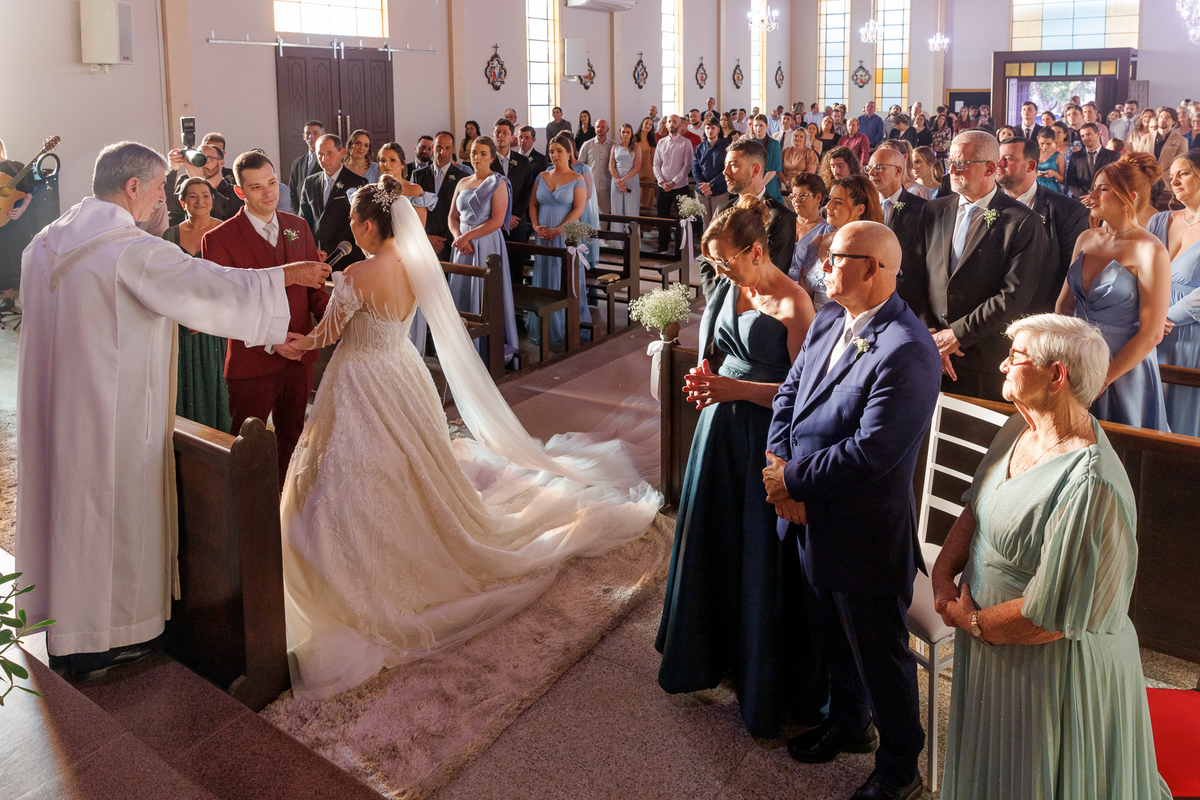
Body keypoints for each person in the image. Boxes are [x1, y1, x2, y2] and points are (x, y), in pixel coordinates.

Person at [274, 179, 662, 701]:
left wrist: (298, 344)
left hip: (362, 377)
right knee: (412, 465)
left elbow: (329, 335)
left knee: (353, 469)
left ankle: (351, 559)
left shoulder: (356, 274)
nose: (352, 233)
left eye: (353, 225)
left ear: (369, 226)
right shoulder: (418, 265)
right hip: (402, 373)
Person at [16, 141, 329, 680]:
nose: (163, 199)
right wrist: (284, 277)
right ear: (133, 187)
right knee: (110, 514)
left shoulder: (45, 241)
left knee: (68, 511)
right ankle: (107, 636)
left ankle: (67, 628)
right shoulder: (127, 248)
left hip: (56, 410)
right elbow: (207, 287)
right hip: (111, 413)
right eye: (159, 187)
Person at [934, 314, 1172, 800]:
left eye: (1015, 358)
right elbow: (976, 506)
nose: (1001, 365)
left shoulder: (1091, 482)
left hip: (1047, 669)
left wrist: (973, 622)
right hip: (991, 644)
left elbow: (1049, 619)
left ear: (1057, 375)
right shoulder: (1017, 427)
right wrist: (942, 573)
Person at [765, 220, 941, 800]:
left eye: (835, 257)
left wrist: (790, 479)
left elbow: (872, 453)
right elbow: (791, 392)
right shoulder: (828, 320)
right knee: (829, 632)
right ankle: (849, 725)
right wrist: (779, 458)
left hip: (863, 527)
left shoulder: (907, 349)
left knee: (878, 652)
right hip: (808, 513)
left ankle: (899, 769)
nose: (822, 265)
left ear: (873, 269)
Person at [656, 195, 819, 738]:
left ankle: (758, 673)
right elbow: (720, 344)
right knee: (714, 541)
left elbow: (806, 397)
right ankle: (709, 653)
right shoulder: (731, 285)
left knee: (754, 552)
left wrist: (734, 388)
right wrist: (707, 373)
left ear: (755, 250)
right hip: (717, 433)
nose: (719, 271)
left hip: (761, 438)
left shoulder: (796, 305)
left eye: (725, 260)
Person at [203, 150, 331, 484]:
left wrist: (331, 324)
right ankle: (249, 517)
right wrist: (273, 343)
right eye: (257, 187)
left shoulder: (298, 227)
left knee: (295, 437)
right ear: (241, 192)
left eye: (272, 182)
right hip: (252, 361)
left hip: (299, 357)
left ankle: (287, 509)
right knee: (248, 445)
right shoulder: (218, 239)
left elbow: (314, 290)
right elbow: (226, 306)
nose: (269, 192)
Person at [911, 130, 1047, 401]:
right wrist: (930, 333)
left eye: (961, 164)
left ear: (990, 168)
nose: (951, 170)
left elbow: (1014, 295)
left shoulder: (1022, 221)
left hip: (981, 355)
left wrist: (957, 336)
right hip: (930, 349)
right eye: (950, 162)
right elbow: (914, 275)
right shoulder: (934, 210)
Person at [1056, 159, 1171, 430]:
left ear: (1128, 198)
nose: (1091, 196)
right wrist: (1056, 353)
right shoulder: (1086, 238)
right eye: (1094, 188)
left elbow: (1152, 333)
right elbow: (1064, 304)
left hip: (1122, 369)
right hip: (1076, 359)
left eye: (1103, 189)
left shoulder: (1150, 251)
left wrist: (1103, 379)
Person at [163, 177, 230, 432]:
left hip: (213, 325)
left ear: (213, 200)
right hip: (179, 324)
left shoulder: (224, 231)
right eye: (192, 196)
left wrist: (205, 318)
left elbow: (231, 282)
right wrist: (181, 315)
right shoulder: (170, 234)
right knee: (181, 383)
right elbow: (164, 281)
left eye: (205, 195)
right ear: (182, 201)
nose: (200, 200)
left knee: (213, 385)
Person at [997, 137, 1090, 314]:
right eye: (998, 158)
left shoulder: (1068, 211)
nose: (999, 164)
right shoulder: (984, 206)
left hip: (1039, 314)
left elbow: (1071, 275)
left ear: (1031, 166)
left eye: (1009, 159)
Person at [448, 136, 518, 364]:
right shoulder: (462, 182)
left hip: (486, 242)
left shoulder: (497, 182)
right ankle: (461, 348)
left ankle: (487, 346)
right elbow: (452, 217)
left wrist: (468, 236)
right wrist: (458, 237)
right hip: (462, 245)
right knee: (461, 291)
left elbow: (497, 220)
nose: (476, 157)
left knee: (484, 295)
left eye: (482, 153)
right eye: (473, 153)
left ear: (492, 157)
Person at [1149, 153, 1200, 436]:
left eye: (1183, 173)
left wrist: (1166, 317)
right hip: (1150, 330)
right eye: (1171, 176)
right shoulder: (1159, 221)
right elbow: (1137, 272)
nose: (1174, 180)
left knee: (1183, 415)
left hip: (1190, 332)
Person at [710, 139, 796, 292]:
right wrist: (715, 300)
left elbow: (775, 273)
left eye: (734, 165)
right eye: (725, 165)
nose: (725, 172)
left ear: (755, 170)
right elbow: (708, 263)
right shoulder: (722, 209)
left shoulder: (781, 217)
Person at [529, 134, 588, 346]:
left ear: (569, 153)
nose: (554, 155)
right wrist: (536, 226)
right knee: (545, 271)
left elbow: (578, 208)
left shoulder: (577, 179)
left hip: (565, 233)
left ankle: (566, 322)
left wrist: (559, 230)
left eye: (559, 151)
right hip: (543, 233)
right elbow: (533, 204)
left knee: (562, 272)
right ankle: (546, 322)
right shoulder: (542, 176)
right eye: (551, 151)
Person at [807, 175, 884, 310]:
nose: (828, 206)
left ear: (859, 209)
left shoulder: (873, 248)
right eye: (830, 199)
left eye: (838, 202)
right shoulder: (818, 242)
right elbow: (805, 290)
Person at [868, 148, 928, 308]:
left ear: (898, 171)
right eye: (869, 168)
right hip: (868, 297)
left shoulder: (922, 209)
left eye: (879, 167)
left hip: (908, 300)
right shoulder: (863, 206)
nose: (872, 173)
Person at [299, 133, 368, 266]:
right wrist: (313, 249)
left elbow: (357, 221)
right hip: (316, 256)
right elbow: (304, 219)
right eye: (320, 154)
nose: (324, 159)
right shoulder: (310, 182)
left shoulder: (358, 182)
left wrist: (332, 252)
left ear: (341, 153)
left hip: (346, 256)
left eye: (329, 153)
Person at [411, 131, 471, 262]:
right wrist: (426, 237)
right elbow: (412, 211)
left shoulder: (463, 178)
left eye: (447, 148)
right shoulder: (418, 175)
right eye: (439, 147)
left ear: (453, 150)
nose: (442, 152)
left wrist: (450, 238)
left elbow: (463, 213)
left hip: (451, 242)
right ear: (432, 147)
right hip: (424, 241)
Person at [653, 115, 696, 249]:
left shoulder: (685, 142)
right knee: (662, 217)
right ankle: (663, 245)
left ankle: (681, 246)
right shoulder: (661, 142)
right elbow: (656, 164)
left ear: (680, 125)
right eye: (669, 122)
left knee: (682, 217)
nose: (672, 124)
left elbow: (687, 165)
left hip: (680, 187)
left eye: (674, 122)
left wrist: (674, 182)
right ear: (666, 125)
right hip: (663, 186)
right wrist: (662, 181)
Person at [491, 119, 535, 246]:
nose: (501, 136)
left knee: (516, 262)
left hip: (516, 221)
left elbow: (527, 190)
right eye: (498, 132)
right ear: (493, 135)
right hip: (493, 223)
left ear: (512, 137)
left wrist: (513, 215)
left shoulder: (523, 161)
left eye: (505, 133)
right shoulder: (486, 162)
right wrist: (501, 218)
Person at [785, 173, 832, 291]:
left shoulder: (827, 230)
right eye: (793, 196)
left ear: (818, 198)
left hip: (807, 290)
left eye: (802, 195)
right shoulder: (784, 223)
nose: (796, 200)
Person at [1065, 123, 1119, 198]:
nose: (1085, 138)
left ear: (1098, 134)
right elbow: (1071, 181)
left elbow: (1115, 180)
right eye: (1082, 136)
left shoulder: (1113, 156)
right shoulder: (1075, 156)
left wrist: (1096, 196)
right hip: (1081, 202)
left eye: (1088, 134)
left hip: (1103, 200)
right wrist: (1084, 197)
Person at [692, 116, 728, 222]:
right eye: (707, 128)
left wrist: (711, 184)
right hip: (702, 190)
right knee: (705, 222)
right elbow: (695, 168)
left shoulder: (725, 147)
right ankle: (706, 240)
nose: (710, 131)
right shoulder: (699, 148)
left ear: (718, 129)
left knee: (718, 222)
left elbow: (726, 169)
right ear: (704, 129)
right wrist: (702, 184)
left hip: (719, 189)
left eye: (713, 128)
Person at [577, 118, 614, 218]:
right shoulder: (587, 145)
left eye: (603, 127)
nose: (600, 129)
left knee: (605, 215)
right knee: (589, 214)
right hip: (590, 186)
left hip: (607, 186)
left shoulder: (613, 146)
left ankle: (603, 234)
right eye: (598, 127)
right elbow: (580, 166)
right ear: (594, 129)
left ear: (608, 129)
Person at [609, 122, 642, 227]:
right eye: (623, 132)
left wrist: (623, 180)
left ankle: (632, 241)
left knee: (631, 210)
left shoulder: (637, 147)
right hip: (616, 179)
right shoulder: (615, 147)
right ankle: (617, 242)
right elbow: (611, 166)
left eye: (628, 132)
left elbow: (637, 166)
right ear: (620, 133)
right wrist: (618, 181)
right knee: (616, 210)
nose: (625, 134)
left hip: (631, 179)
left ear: (631, 133)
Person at [289, 120, 324, 214]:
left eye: (315, 133)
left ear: (323, 135)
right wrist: (296, 214)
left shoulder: (329, 162)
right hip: (300, 214)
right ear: (303, 136)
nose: (311, 137)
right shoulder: (297, 163)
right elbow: (292, 192)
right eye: (308, 133)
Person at [1151, 107, 1189, 174]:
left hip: (1168, 179)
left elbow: (1181, 163)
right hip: (1147, 179)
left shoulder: (1181, 141)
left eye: (1167, 117)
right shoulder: (1145, 139)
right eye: (1161, 117)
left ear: (1173, 121)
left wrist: (1163, 175)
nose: (1163, 119)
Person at [635, 116, 658, 213]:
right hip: (635, 170)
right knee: (637, 198)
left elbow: (654, 159)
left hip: (648, 171)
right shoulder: (634, 137)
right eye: (646, 123)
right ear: (642, 124)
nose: (648, 126)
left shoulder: (651, 140)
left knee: (648, 201)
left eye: (650, 125)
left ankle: (646, 227)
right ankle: (635, 226)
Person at [1035, 127, 1067, 194]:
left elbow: (1063, 181)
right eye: (1042, 143)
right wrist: (1036, 174)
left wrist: (1054, 174)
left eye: (1048, 144)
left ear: (1054, 140)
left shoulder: (1059, 156)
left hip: (1051, 189)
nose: (1045, 147)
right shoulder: (1033, 153)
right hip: (1034, 187)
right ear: (1037, 139)